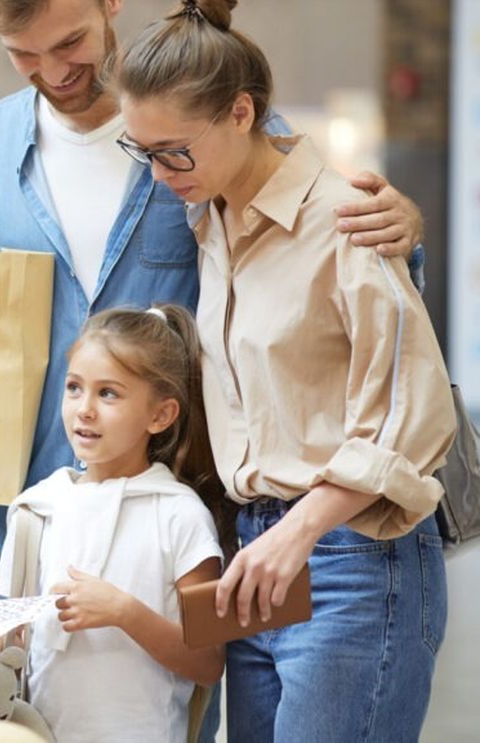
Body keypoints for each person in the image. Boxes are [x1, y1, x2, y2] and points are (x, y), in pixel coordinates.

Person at [0, 0, 426, 606]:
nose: (53, 71)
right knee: (0, 699)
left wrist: (400, 225)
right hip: (18, 514)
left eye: (70, 43)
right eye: (23, 54)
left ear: (110, 5)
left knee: (166, 696)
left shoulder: (215, 126)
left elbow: (326, 245)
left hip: (179, 523)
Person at [115, 2, 456, 740]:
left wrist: (298, 530)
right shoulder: (212, 218)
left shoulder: (346, 221)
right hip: (257, 552)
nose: (158, 172)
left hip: (355, 560)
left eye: (174, 151)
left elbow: (416, 412)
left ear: (242, 113)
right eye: (141, 150)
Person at [0, 305, 227, 742]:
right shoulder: (37, 509)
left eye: (108, 393)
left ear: (161, 415)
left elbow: (207, 661)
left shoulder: (183, 517)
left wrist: (124, 612)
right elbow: (17, 647)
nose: (84, 409)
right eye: (74, 388)